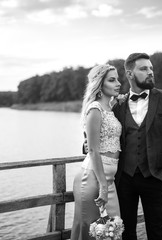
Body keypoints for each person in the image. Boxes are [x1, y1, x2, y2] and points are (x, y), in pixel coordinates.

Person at [112, 52, 162, 240]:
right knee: (126, 233)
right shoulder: (117, 105)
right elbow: (105, 135)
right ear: (129, 74)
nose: (150, 72)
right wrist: (88, 145)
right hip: (124, 179)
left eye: (151, 68)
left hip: (155, 178)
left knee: (157, 232)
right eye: (144, 68)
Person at [71, 64, 122, 240]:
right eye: (112, 80)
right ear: (99, 84)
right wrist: (103, 185)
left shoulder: (109, 107)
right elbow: (92, 149)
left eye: (118, 79)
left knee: (112, 230)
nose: (118, 83)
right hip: (94, 179)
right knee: (93, 232)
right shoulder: (95, 108)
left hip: (109, 179)